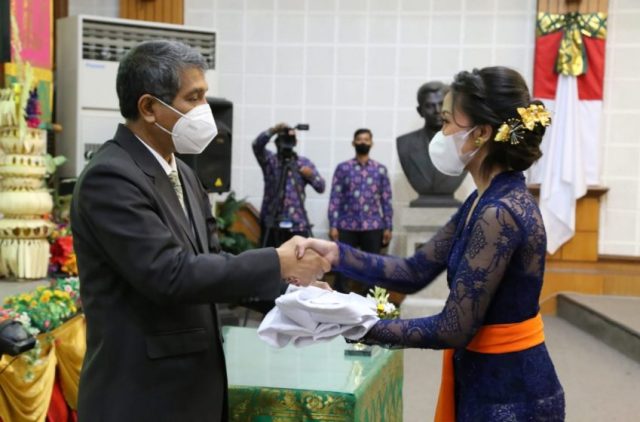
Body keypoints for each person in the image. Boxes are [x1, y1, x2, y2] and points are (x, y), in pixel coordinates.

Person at [70, 40, 330, 421]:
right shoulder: (111, 177)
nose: (206, 110)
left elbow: (211, 264)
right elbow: (170, 274)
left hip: (192, 390)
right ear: (149, 108)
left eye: (205, 96)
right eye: (193, 98)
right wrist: (277, 260)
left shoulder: (184, 173)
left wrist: (296, 295)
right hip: (144, 396)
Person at [297, 67, 565, 421]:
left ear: (481, 133)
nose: (441, 133)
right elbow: (413, 271)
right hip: (484, 376)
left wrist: (351, 322)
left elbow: (452, 328)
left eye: (447, 122)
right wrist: (336, 255)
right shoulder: (482, 200)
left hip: (511, 393)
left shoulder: (499, 212)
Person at [328, 128, 393, 295]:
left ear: (371, 143)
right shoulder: (343, 168)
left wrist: (388, 227)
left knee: (372, 265)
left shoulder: (380, 169)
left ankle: (370, 302)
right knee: (343, 264)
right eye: (359, 139)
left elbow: (386, 199)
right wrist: (333, 225)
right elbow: (335, 197)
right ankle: (339, 299)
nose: (363, 142)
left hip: (373, 225)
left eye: (366, 139)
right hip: (346, 224)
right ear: (353, 143)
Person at [253, 123, 325, 247]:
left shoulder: (303, 163)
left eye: (290, 139)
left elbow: (321, 187)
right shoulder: (270, 161)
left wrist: (311, 175)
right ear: (277, 142)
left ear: (295, 142)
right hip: (272, 222)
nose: (287, 141)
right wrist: (274, 130)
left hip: (297, 223)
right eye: (283, 138)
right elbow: (257, 145)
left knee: (300, 257)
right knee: (270, 257)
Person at [396, 81, 467, 207]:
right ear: (420, 111)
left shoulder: (466, 144)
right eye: (429, 106)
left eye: (442, 104)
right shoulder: (405, 144)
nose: (437, 110)